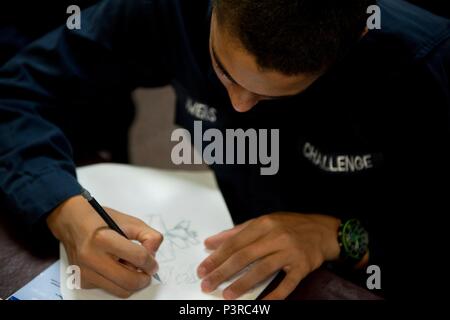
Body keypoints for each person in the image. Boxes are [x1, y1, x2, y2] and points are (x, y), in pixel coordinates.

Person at [0, 0, 448, 299]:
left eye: (273, 97)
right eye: (222, 71)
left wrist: (338, 237)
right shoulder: (171, 9)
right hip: (213, 241)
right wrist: (61, 206)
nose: (239, 105)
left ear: (358, 38)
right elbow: (17, 92)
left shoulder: (425, 62)